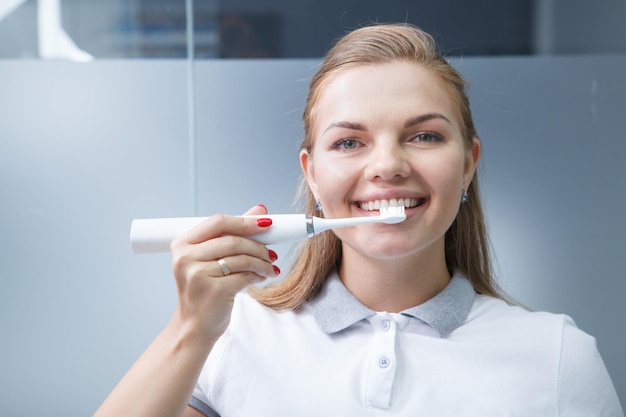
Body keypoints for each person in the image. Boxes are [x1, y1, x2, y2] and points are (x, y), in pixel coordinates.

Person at [94, 23, 624, 416]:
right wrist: (190, 329)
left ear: (467, 165)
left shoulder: (558, 358)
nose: (388, 165)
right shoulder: (236, 338)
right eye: (349, 142)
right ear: (314, 175)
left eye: (424, 135)